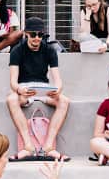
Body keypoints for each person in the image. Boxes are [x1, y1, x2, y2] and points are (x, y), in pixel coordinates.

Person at [7, 16, 70, 160]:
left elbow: (58, 79)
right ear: (26, 34)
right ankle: (28, 146)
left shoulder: (49, 50)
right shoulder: (17, 51)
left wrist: (58, 89)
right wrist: (19, 90)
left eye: (40, 35)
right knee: (11, 99)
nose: (37, 38)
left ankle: (48, 147)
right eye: (33, 34)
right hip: (24, 89)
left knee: (64, 101)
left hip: (43, 89)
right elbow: (13, 81)